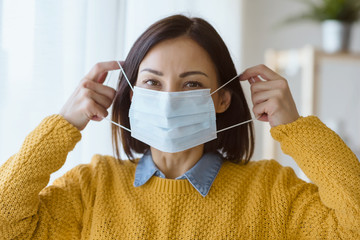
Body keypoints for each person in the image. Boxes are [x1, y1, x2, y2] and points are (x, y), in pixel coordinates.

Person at [0, 14, 359, 239]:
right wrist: (63, 124)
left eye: (191, 84)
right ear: (132, 95)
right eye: (153, 83)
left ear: (222, 98)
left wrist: (296, 128)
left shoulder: (272, 192)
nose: (169, 97)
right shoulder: (91, 187)